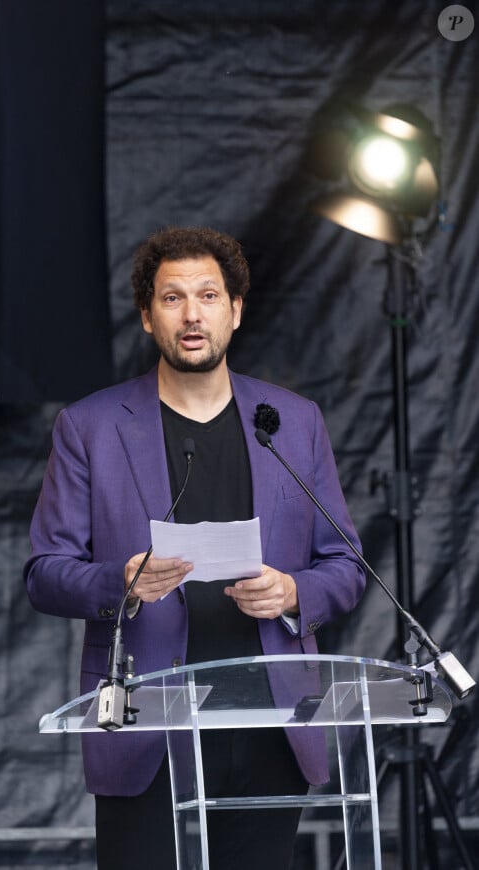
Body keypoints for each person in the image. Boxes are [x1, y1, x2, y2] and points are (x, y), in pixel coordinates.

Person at [24, 226, 366, 869]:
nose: (191, 314)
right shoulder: (90, 426)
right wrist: (117, 581)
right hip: (146, 719)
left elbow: (344, 565)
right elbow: (45, 572)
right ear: (149, 317)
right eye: (172, 298)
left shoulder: (292, 422)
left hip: (269, 717)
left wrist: (294, 592)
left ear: (235, 311)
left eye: (208, 296)